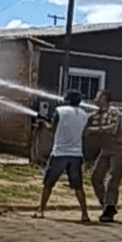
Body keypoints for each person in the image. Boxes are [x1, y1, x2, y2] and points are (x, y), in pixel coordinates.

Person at [34, 89, 90, 222]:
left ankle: (41, 210)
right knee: (78, 186)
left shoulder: (60, 110)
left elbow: (51, 129)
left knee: (48, 184)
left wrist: (42, 123)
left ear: (67, 99)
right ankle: (85, 214)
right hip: (76, 154)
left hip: (60, 153)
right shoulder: (83, 114)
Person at [84, 90, 122, 223]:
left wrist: (92, 130)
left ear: (104, 98)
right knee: (96, 177)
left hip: (118, 148)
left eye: (97, 96)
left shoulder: (113, 111)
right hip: (105, 150)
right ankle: (106, 203)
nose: (94, 99)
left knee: (113, 179)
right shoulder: (94, 115)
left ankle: (109, 208)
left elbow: (112, 129)